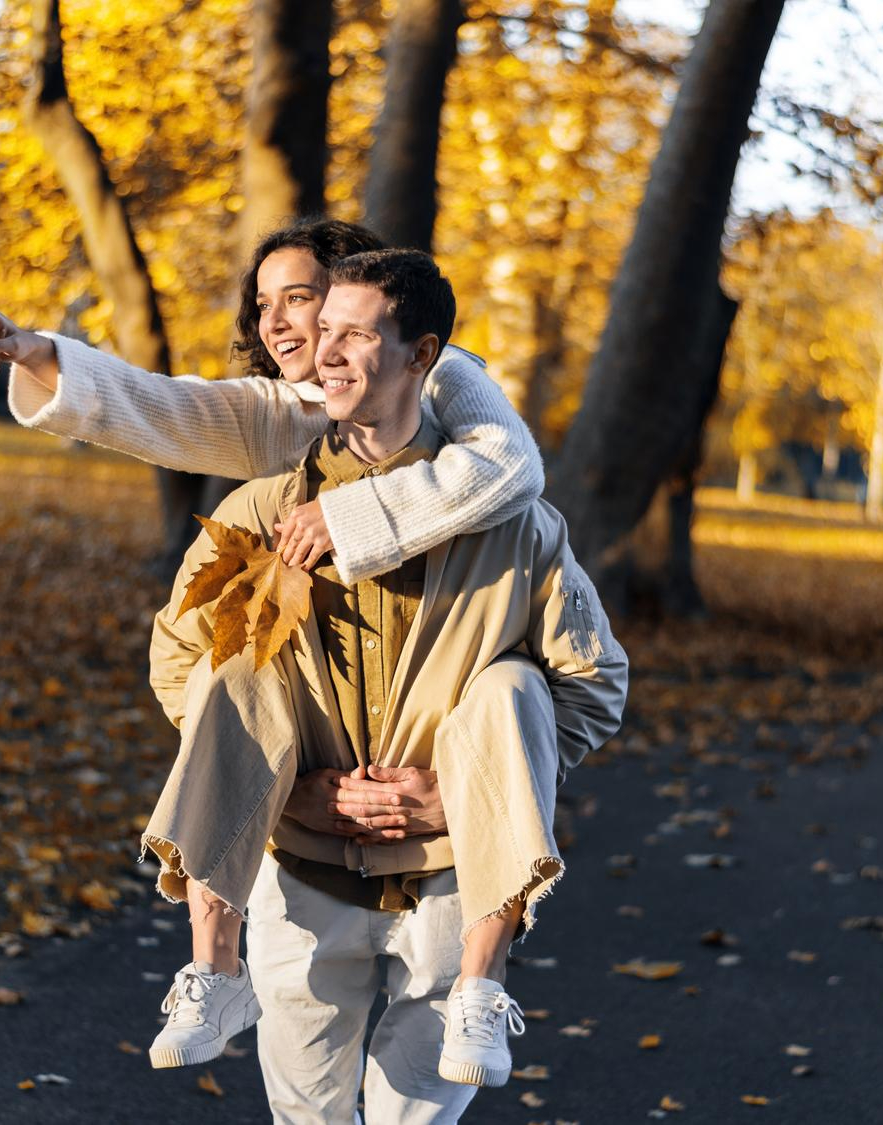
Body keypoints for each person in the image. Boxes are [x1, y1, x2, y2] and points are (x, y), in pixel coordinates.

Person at [149, 248, 626, 1121]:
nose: (323, 353)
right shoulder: (260, 511)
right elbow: (179, 664)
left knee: (513, 686)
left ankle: (488, 988)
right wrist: (285, 793)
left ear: (422, 355)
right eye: (320, 330)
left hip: (451, 880)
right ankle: (214, 971)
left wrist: (461, 797)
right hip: (300, 871)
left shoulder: (515, 525)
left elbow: (591, 684)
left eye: (354, 335)